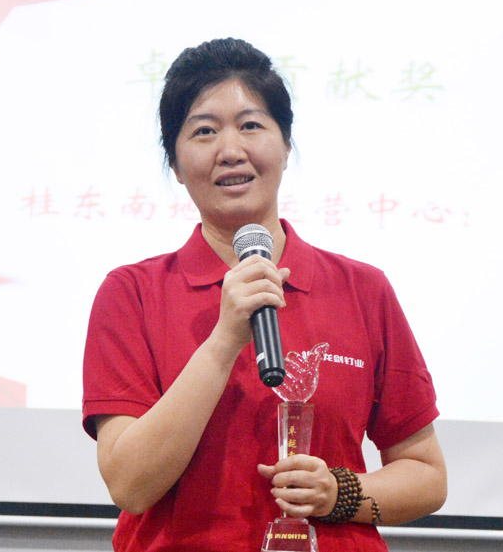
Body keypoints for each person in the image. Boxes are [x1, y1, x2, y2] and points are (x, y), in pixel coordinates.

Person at [82, 38, 447, 551]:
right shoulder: (132, 294)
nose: (231, 150)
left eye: (251, 125)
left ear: (286, 144)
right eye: (204, 131)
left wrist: (338, 494)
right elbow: (130, 485)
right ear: (175, 163)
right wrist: (223, 340)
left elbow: (426, 475)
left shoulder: (363, 290)